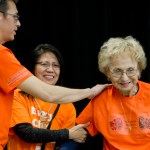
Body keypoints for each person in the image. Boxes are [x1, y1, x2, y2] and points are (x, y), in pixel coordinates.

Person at [0, 0, 109, 148]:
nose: (18, 24)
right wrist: (90, 92)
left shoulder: (67, 107)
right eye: (15, 17)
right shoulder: (2, 57)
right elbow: (48, 94)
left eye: (55, 65)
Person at [76, 35, 150, 150]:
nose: (124, 78)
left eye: (130, 70)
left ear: (139, 70)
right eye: (117, 71)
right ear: (107, 73)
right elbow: (79, 130)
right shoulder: (101, 98)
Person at [7, 43, 86, 150]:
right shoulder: (17, 95)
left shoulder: (67, 105)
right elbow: (26, 133)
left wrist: (70, 138)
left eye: (55, 65)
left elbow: (67, 143)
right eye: (44, 64)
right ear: (33, 67)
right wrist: (67, 133)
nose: (50, 69)